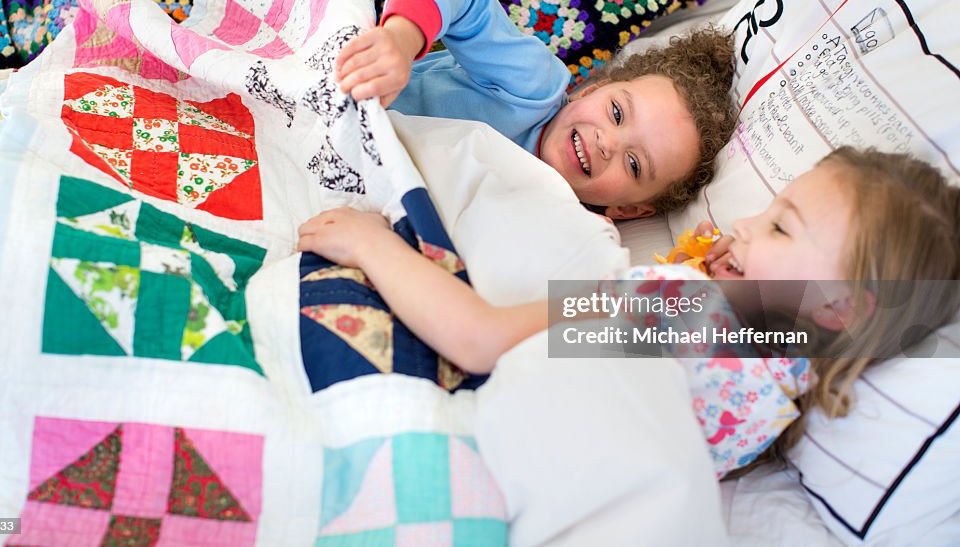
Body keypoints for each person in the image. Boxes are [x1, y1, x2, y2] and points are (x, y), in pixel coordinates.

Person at [298, 146, 960, 466]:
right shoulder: (773, 403)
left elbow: (480, 339)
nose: (748, 223)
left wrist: (372, 244)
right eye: (769, 207)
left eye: (782, 228)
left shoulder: (682, 302)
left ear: (839, 308)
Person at [335, 0, 738, 219]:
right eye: (616, 113)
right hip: (347, 99)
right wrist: (403, 40)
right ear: (591, 90)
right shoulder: (533, 86)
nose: (607, 143)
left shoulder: (558, 224)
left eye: (634, 165)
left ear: (629, 210)